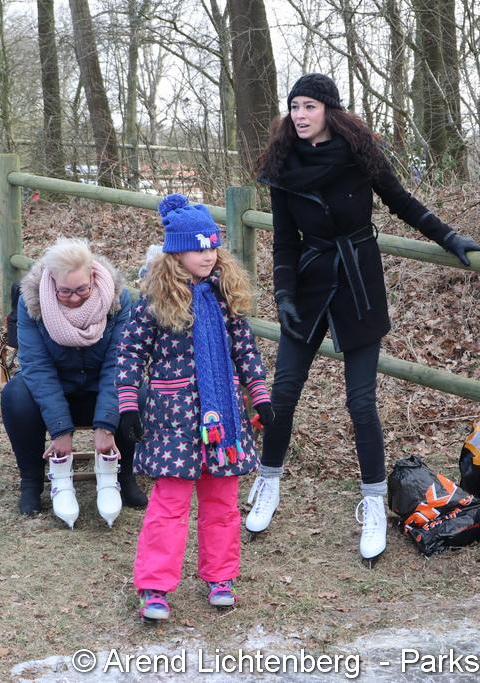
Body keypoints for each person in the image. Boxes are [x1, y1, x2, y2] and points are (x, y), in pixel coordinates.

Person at [246, 73, 480, 564]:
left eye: (309, 106)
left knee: (361, 403)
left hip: (359, 283)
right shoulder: (283, 164)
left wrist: (449, 237)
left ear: (329, 111)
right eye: (294, 106)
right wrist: (283, 293)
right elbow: (285, 241)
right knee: (283, 392)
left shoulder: (361, 154)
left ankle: (374, 502)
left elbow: (402, 203)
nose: (299, 115)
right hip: (309, 283)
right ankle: (268, 482)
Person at [117, 194, 274, 621]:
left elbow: (245, 351)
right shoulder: (154, 302)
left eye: (213, 247)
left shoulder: (224, 298)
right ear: (176, 253)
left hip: (222, 419)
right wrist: (128, 404)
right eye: (198, 248)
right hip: (172, 421)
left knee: (221, 503)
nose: (208, 256)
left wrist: (260, 395)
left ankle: (220, 577)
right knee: (168, 505)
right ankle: (154, 586)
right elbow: (130, 353)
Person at [0, 238, 148, 526]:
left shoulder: (118, 299)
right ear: (51, 281)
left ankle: (123, 474)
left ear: (92, 275)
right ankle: (32, 481)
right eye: (65, 291)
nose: (74, 298)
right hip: (55, 390)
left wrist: (106, 425)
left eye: (82, 289)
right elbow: (37, 367)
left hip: (99, 388)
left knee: (137, 391)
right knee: (15, 394)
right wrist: (60, 429)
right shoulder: (31, 302)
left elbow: (118, 363)